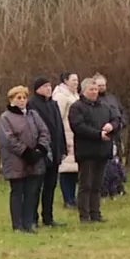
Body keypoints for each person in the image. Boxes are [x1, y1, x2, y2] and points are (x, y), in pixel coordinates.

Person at [0, 85, 51, 234]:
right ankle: (17, 225)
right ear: (11, 100)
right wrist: (26, 152)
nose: (22, 101)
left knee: (31, 193)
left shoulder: (33, 115)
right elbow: (9, 139)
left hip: (35, 160)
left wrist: (39, 150)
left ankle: (29, 223)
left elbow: (44, 132)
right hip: (16, 161)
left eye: (24, 98)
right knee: (17, 193)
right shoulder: (5, 118)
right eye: (18, 98)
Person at [67, 77, 116, 224]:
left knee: (97, 184)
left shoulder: (105, 106)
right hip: (86, 151)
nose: (94, 92)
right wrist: (97, 135)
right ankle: (84, 215)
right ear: (84, 91)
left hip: (102, 151)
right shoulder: (77, 107)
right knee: (85, 184)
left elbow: (116, 119)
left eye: (96, 89)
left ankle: (96, 213)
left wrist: (111, 127)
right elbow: (78, 126)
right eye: (91, 89)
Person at [27, 76, 66, 228]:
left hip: (55, 151)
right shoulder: (32, 105)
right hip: (40, 152)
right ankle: (32, 218)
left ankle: (48, 217)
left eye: (50, 86)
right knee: (36, 187)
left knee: (50, 186)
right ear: (37, 89)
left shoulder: (53, 104)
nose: (49, 89)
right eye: (45, 86)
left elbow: (59, 127)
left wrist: (62, 147)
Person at [54, 72, 80, 209]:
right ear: (65, 81)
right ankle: (67, 199)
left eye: (77, 80)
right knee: (65, 169)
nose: (76, 82)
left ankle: (72, 198)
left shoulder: (75, 95)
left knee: (74, 169)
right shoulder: (61, 96)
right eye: (73, 80)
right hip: (66, 135)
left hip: (75, 135)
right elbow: (58, 117)